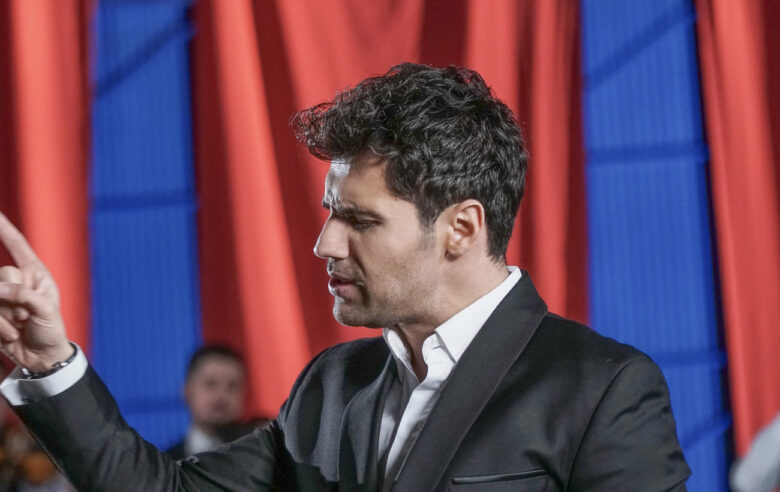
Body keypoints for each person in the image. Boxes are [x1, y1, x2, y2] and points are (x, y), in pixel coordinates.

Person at [0, 63, 690, 491]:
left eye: (360, 219)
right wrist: (49, 363)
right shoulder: (330, 386)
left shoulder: (603, 389)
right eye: (332, 213)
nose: (325, 242)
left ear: (461, 227)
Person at [167, 346, 249, 460]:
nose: (221, 396)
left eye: (232, 386)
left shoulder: (263, 458)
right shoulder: (165, 465)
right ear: (187, 391)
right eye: (210, 384)